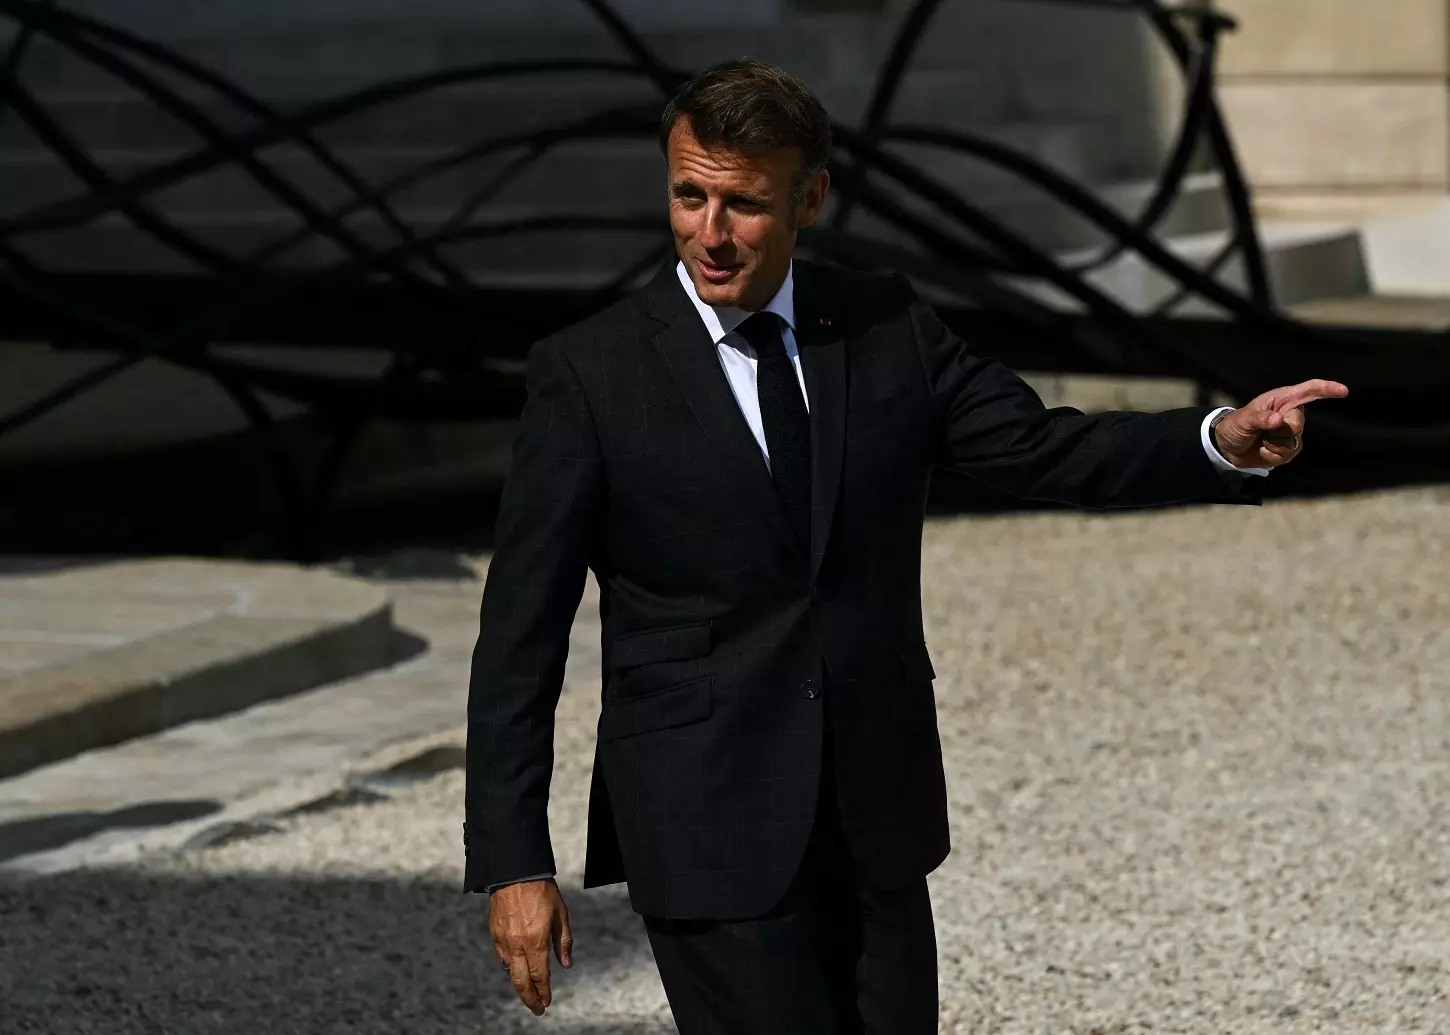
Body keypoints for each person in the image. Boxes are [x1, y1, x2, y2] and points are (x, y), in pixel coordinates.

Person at [463, 57, 1347, 1034]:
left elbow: (1044, 449)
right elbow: (519, 639)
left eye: (744, 204)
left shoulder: (884, 326)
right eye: (688, 195)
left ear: (810, 200)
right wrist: (514, 862)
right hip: (703, 821)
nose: (708, 233)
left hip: (873, 819)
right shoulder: (588, 375)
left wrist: (1215, 442)